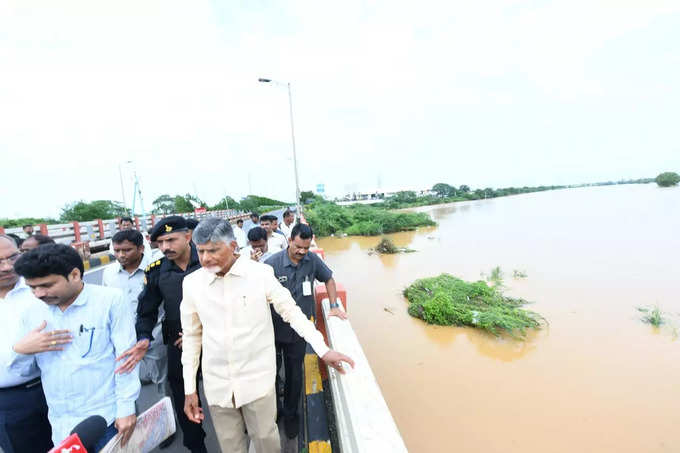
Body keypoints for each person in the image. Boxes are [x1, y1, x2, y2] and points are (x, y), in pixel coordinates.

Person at [180, 218, 354, 453]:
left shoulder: (260, 274)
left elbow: (292, 312)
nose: (205, 258)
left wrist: (322, 350)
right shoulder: (192, 284)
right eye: (200, 251)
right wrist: (190, 389)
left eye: (213, 250)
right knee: (231, 446)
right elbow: (191, 338)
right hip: (217, 384)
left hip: (257, 380)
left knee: (265, 441)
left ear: (232, 247)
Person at [10, 244, 140, 450]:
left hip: (107, 417)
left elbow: (127, 358)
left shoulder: (110, 300)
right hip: (60, 423)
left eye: (46, 285)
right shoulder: (32, 313)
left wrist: (126, 408)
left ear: (75, 274)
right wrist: (22, 351)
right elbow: (24, 370)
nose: (38, 294)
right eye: (32, 287)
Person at [115, 216, 207, 453]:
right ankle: (195, 443)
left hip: (216, 338)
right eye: (160, 242)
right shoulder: (156, 271)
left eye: (170, 240)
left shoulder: (208, 259)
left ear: (188, 237)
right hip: (178, 343)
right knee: (182, 392)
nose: (165, 247)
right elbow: (146, 312)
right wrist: (144, 338)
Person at [264, 223, 348, 437]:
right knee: (270, 374)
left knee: (294, 375)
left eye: (306, 248)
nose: (302, 252)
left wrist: (335, 306)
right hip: (271, 330)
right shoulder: (271, 264)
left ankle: (291, 415)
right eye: (298, 246)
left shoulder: (312, 261)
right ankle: (274, 413)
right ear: (290, 240)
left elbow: (328, 279)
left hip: (299, 332)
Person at [0, 235, 53, 453]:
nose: (7, 267)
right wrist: (17, 351)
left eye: (13, 257)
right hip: (9, 402)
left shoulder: (43, 288)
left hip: (56, 387)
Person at [102, 230, 167, 388]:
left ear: (141, 249)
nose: (121, 255)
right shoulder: (109, 273)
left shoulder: (157, 269)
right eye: (117, 250)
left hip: (155, 336)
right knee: (125, 385)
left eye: (127, 250)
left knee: (164, 383)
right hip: (123, 339)